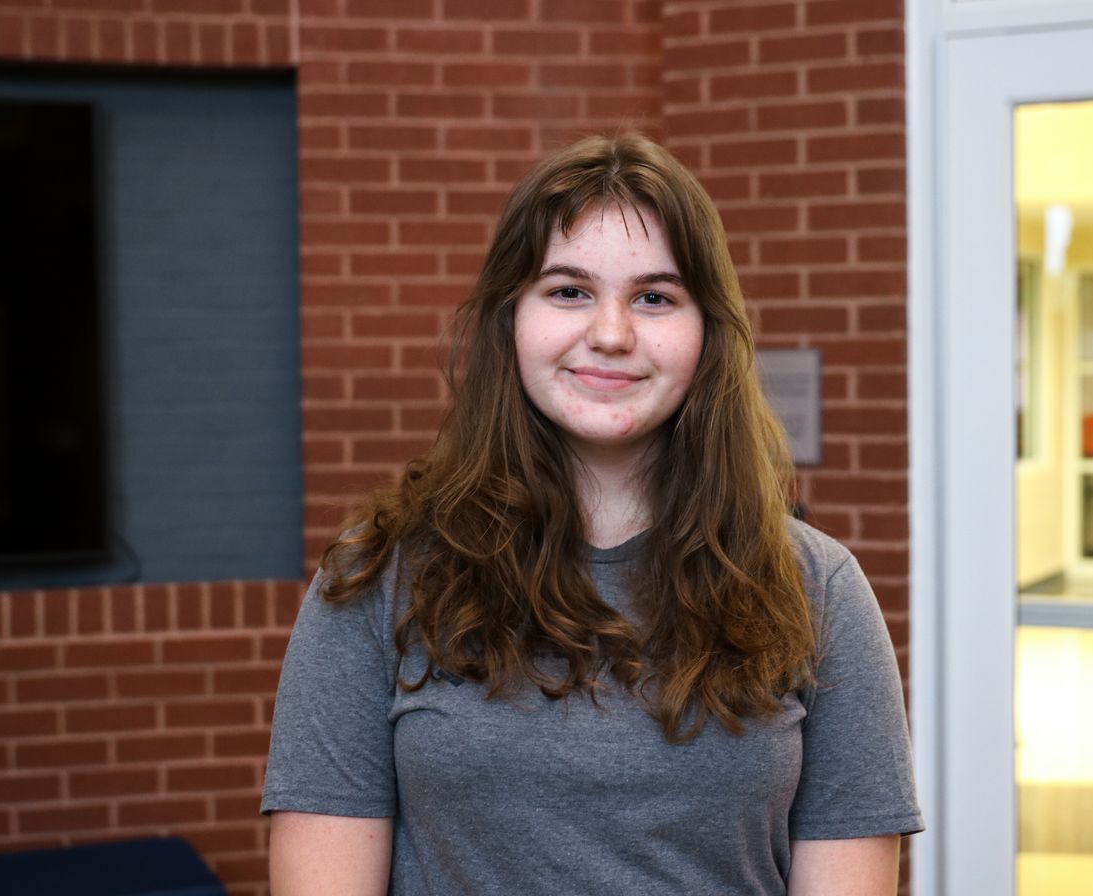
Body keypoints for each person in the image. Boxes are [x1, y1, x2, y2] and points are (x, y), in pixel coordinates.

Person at [262, 133, 923, 895]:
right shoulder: (378, 578)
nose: (611, 334)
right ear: (510, 317)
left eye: (655, 296)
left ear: (707, 332)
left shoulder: (816, 588)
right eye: (568, 290)